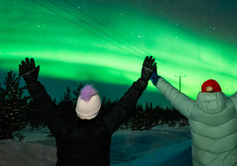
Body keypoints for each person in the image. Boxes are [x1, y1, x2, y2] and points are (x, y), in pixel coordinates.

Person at [19, 56, 156, 166]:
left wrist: (32, 82)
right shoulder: (104, 128)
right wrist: (143, 79)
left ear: (77, 108)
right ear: (97, 109)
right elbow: (125, 104)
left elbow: (45, 105)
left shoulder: (62, 128)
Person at [150, 51, 237, 166]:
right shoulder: (233, 106)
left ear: (202, 92)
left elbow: (172, 94)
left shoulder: (192, 109)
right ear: (219, 91)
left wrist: (155, 79)